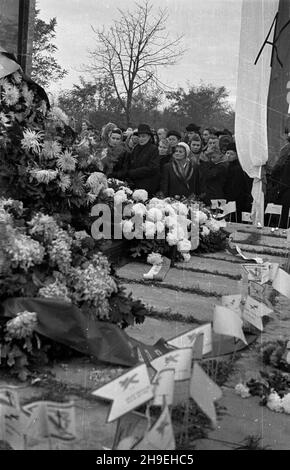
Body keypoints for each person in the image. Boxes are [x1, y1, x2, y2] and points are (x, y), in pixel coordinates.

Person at [114, 123, 160, 196]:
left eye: (143, 136)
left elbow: (153, 168)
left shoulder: (153, 149)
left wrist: (134, 172)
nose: (141, 139)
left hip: (147, 185)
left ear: (149, 137)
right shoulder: (136, 148)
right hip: (134, 184)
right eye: (139, 136)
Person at [224, 143, 252, 222]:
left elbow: (236, 187)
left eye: (232, 154)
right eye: (227, 153)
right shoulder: (230, 166)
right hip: (232, 199)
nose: (229, 155)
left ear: (237, 155)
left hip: (236, 200)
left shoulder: (237, 168)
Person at [199, 134, 228, 205]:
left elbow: (209, 175)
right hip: (209, 194)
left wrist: (205, 163)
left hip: (217, 196)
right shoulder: (214, 164)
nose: (212, 160)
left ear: (220, 155)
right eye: (211, 158)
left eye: (214, 157)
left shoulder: (222, 166)